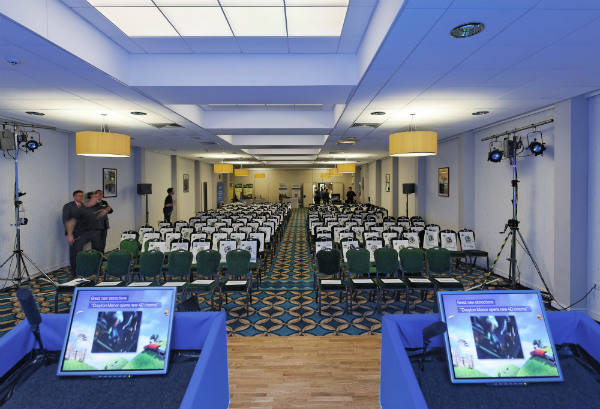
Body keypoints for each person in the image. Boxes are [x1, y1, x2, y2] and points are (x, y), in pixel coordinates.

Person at [65, 191, 103, 276]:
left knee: (97, 252)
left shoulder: (96, 207)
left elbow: (100, 214)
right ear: (89, 199)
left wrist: (105, 210)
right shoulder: (82, 209)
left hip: (94, 232)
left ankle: (97, 269)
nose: (96, 199)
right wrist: (70, 234)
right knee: (77, 253)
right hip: (81, 233)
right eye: (94, 198)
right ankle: (75, 272)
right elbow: (71, 221)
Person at [62, 190, 83, 274]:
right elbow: (65, 219)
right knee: (74, 252)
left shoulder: (84, 206)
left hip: (83, 232)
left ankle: (81, 267)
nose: (80, 197)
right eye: (78, 196)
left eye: (82, 196)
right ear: (74, 197)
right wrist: (69, 233)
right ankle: (74, 270)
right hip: (73, 232)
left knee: (81, 251)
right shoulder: (68, 206)